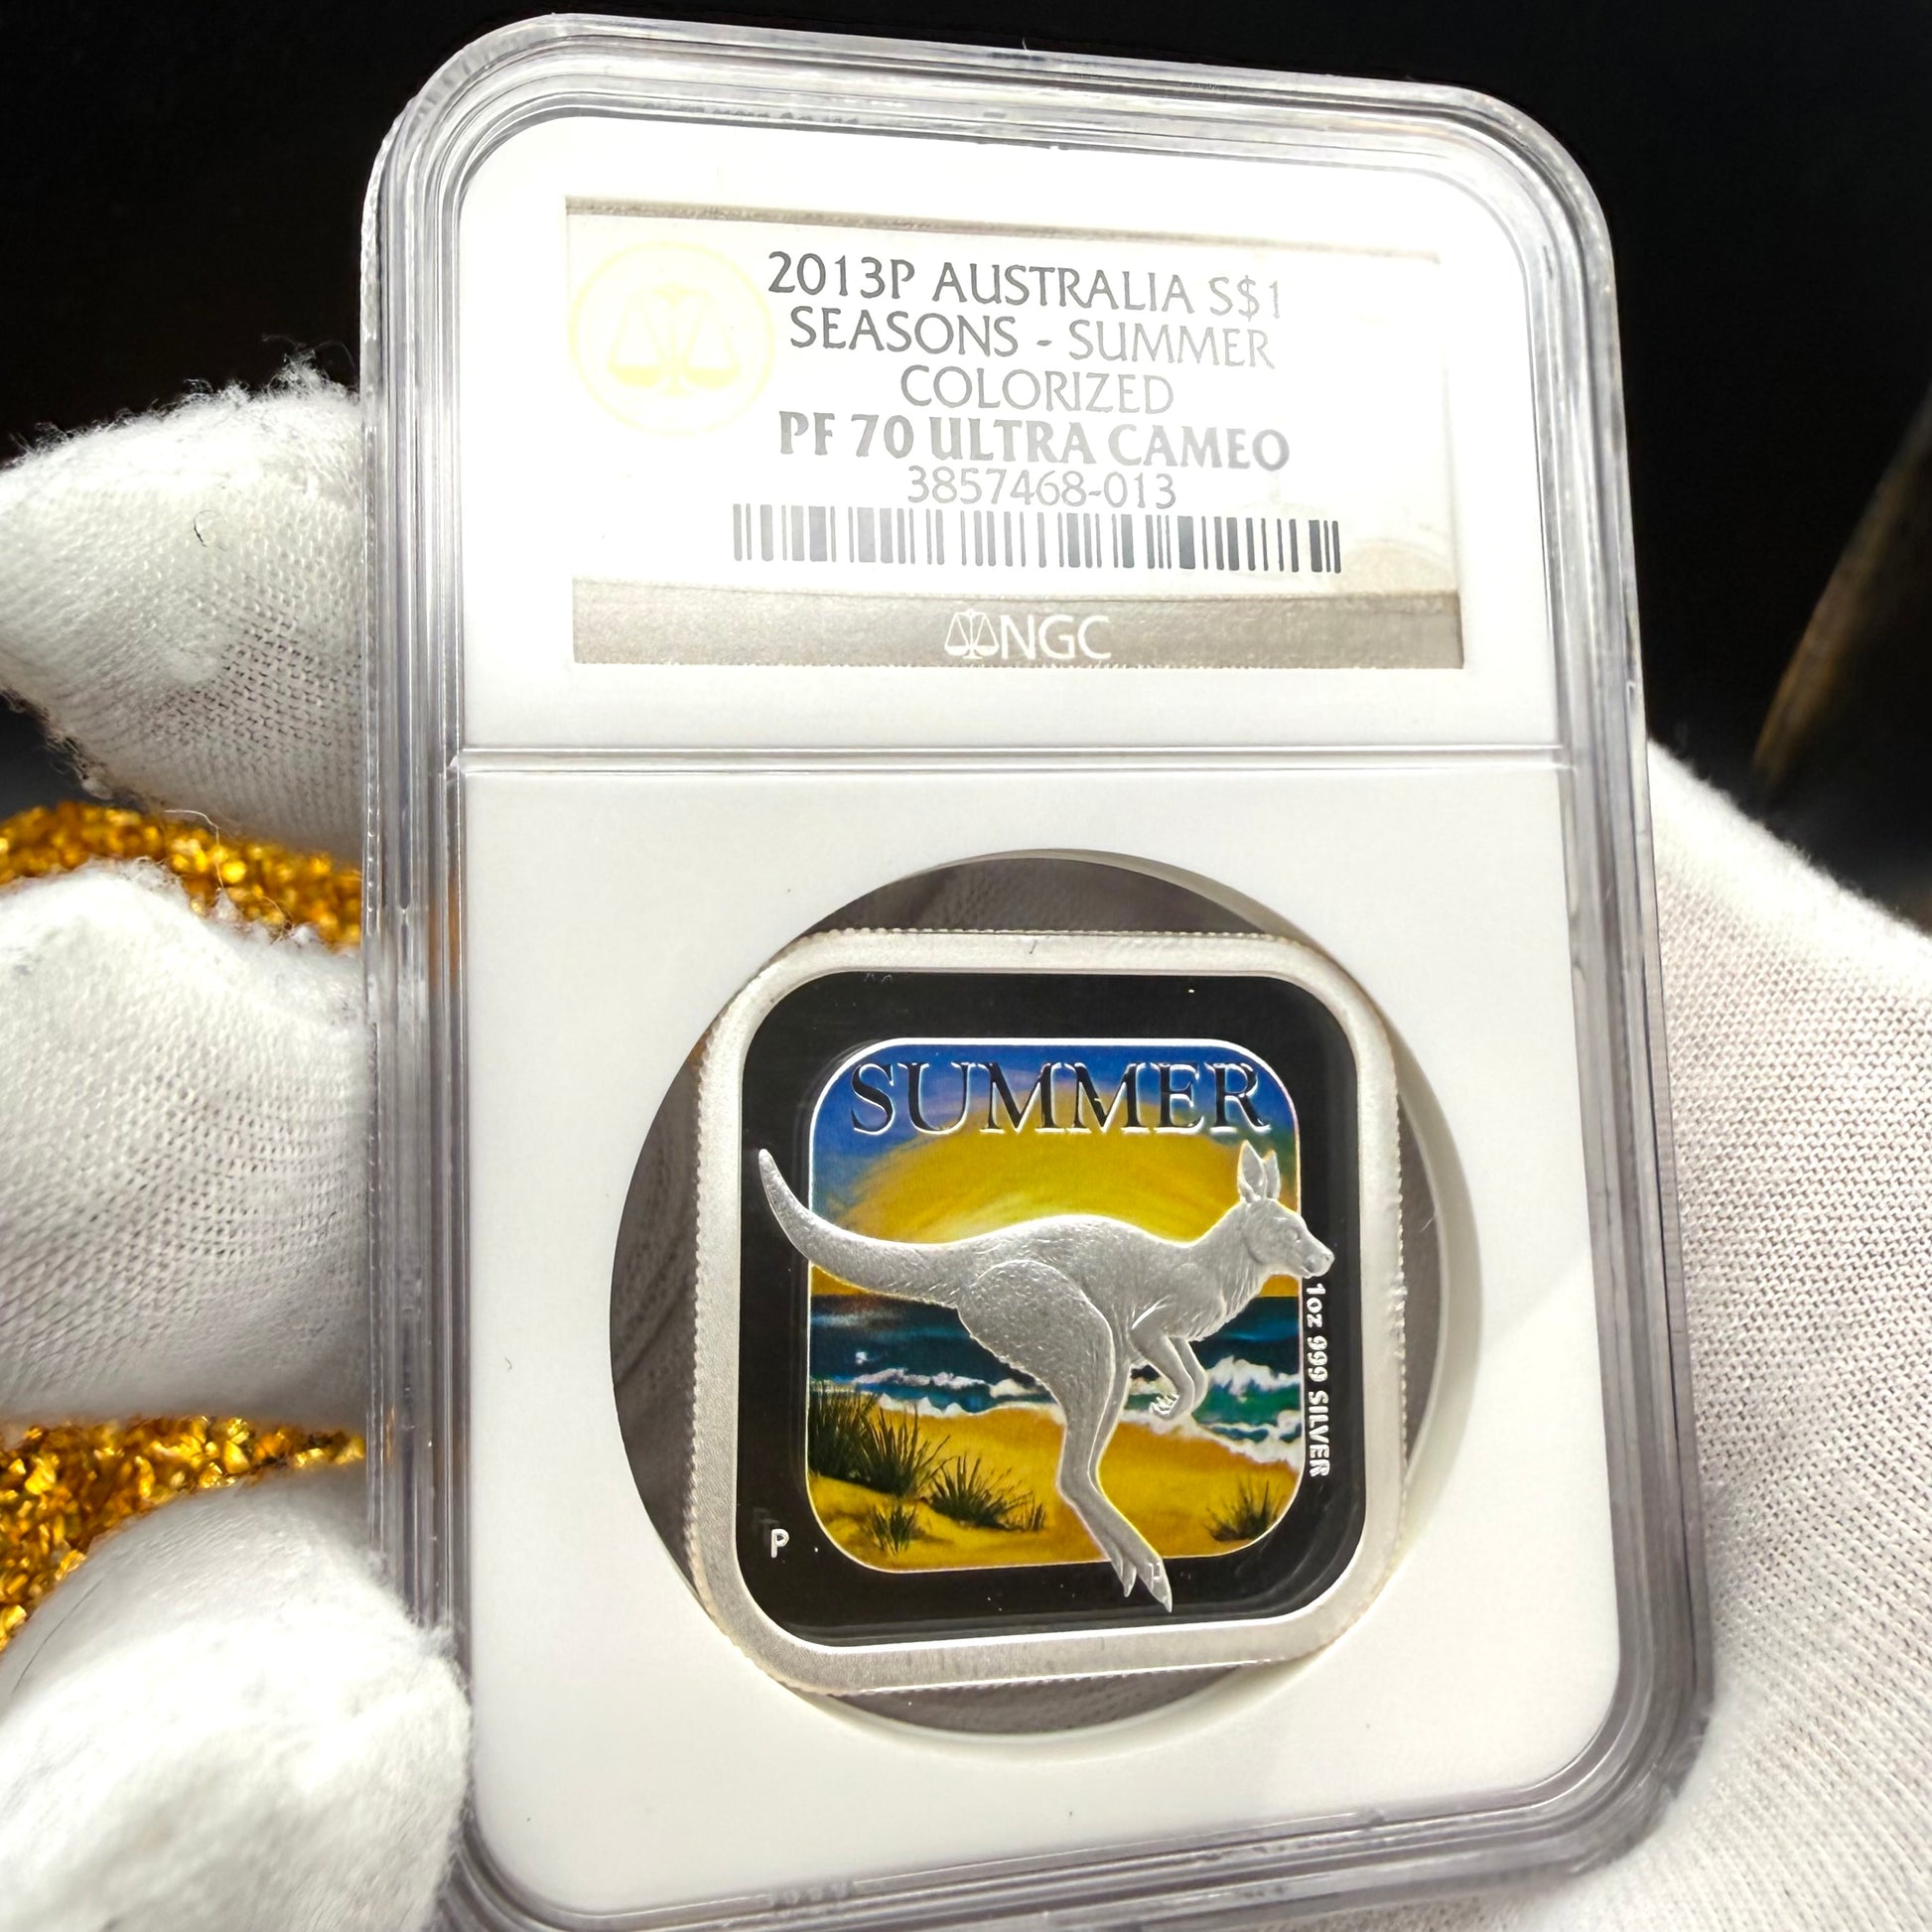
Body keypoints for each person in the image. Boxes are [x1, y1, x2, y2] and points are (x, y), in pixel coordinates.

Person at [0, 377, 1926, 1932]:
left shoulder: (1263, 1247)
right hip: (1011, 1275)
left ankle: (1085, 1524)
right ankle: (1096, 1522)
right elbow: (1157, 1305)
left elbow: (1205, 1310)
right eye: (1292, 1247)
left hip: (1129, 1328)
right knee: (1058, 1416)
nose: (1304, 1263)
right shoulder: (1221, 1244)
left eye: (1290, 1251)